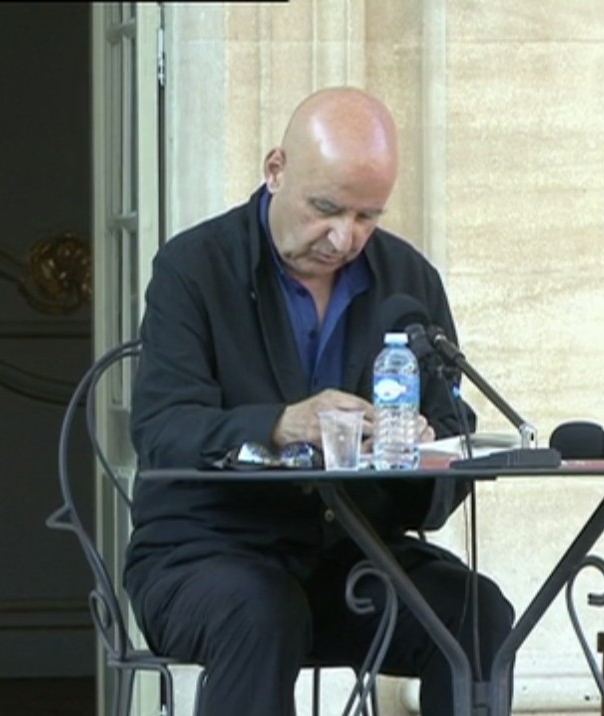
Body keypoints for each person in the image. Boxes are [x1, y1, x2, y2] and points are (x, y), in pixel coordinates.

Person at [124, 86, 515, 716]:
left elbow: (452, 433)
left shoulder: (409, 279)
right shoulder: (193, 268)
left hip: (354, 557)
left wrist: (419, 448)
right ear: (276, 169)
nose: (343, 238)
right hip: (204, 555)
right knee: (261, 610)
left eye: (367, 217)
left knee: (477, 613)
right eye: (326, 208)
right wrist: (282, 425)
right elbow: (163, 429)